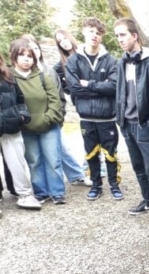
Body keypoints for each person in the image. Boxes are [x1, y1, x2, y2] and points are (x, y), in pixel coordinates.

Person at [22, 34, 92, 188]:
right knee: (39, 155)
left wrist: (58, 115)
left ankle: (76, 176)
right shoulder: (22, 74)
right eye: (30, 49)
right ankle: (47, 186)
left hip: (52, 117)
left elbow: (59, 95)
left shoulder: (49, 70)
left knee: (61, 148)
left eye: (36, 48)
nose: (34, 52)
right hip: (32, 121)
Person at [114, 17, 149, 217]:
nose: (120, 39)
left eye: (123, 35)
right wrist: (120, 120)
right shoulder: (121, 62)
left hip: (145, 124)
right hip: (127, 124)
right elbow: (120, 93)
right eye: (117, 36)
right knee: (138, 166)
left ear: (135, 35)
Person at [65, 17, 122, 202]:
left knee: (111, 154)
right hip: (86, 118)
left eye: (98, 33)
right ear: (83, 32)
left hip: (107, 118)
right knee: (90, 153)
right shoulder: (73, 60)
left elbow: (113, 86)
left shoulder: (111, 60)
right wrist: (100, 88)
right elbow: (74, 87)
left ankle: (114, 184)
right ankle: (96, 185)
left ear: (102, 36)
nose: (94, 35)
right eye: (91, 31)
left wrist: (88, 84)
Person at [10, 39, 66, 204]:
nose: (26, 59)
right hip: (26, 128)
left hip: (49, 125)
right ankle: (41, 192)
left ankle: (57, 192)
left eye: (30, 56)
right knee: (34, 162)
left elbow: (55, 100)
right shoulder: (10, 78)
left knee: (53, 160)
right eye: (22, 55)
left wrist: (47, 118)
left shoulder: (42, 76)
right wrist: (22, 120)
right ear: (14, 57)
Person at [0, 51, 41, 210]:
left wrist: (22, 115)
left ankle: (25, 195)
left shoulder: (7, 74)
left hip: (11, 125)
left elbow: (20, 99)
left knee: (17, 162)